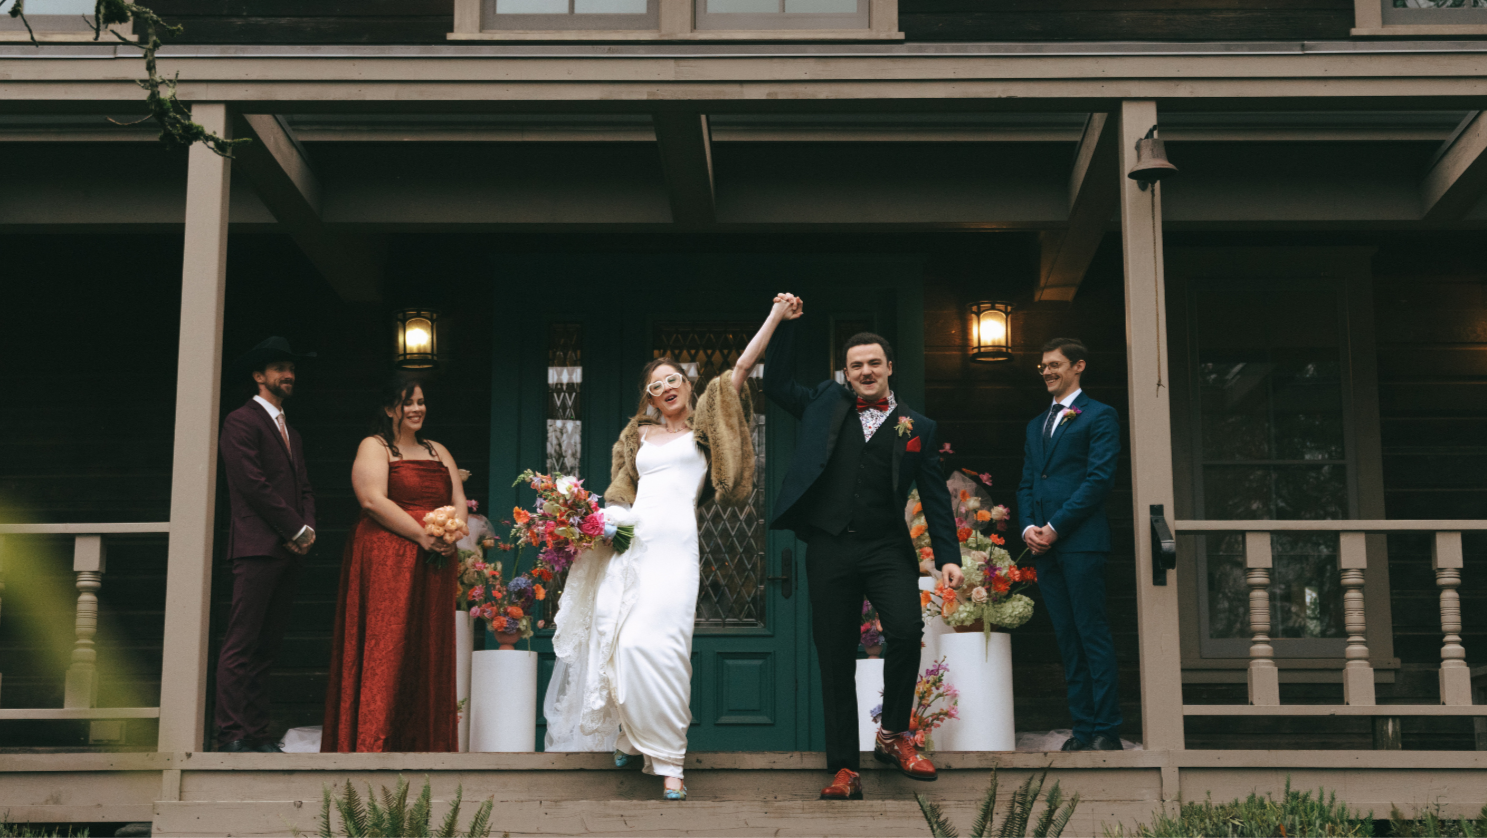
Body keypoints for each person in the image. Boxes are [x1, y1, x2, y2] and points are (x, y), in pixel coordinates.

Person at [543, 299, 792, 801]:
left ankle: (671, 761)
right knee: (623, 644)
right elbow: (619, 491)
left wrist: (775, 316)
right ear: (650, 397)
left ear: (688, 383)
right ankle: (630, 737)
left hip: (676, 550)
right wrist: (606, 523)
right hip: (632, 544)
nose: (665, 389)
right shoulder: (637, 434)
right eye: (655, 386)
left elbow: (742, 369)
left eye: (672, 379)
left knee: (667, 651)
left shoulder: (706, 427)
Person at [762, 295, 963, 802]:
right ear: (846, 373)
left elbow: (935, 498)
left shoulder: (918, 427)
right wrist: (784, 325)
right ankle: (845, 769)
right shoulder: (823, 404)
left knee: (907, 630)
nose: (866, 372)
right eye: (856, 366)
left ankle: (893, 734)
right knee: (835, 658)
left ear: (890, 367)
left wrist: (949, 557)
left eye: (874, 363)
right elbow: (777, 384)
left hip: (886, 547)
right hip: (830, 547)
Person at [322, 376, 465, 753]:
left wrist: (452, 533)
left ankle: (426, 744)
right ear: (389, 409)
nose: (417, 409)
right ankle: (374, 742)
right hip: (388, 560)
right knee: (386, 643)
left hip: (433, 562)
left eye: (421, 401)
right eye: (408, 403)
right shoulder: (375, 447)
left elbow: (458, 499)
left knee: (427, 647)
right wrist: (422, 534)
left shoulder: (438, 450)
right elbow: (372, 500)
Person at [1016, 337, 1123, 751]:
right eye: (1042, 366)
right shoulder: (1035, 425)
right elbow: (1029, 482)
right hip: (1044, 548)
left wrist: (1055, 526)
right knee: (1066, 637)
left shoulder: (1100, 415)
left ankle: (1106, 730)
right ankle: (1082, 729)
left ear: (1078, 366)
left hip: (1081, 542)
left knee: (1091, 633)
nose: (1046, 371)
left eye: (1055, 364)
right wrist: (1029, 528)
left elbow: (1099, 480)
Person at [216, 336, 317, 753]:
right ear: (259, 376)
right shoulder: (240, 421)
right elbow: (252, 484)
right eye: (279, 368)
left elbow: (304, 487)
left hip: (289, 550)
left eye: (291, 368)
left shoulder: (291, 431)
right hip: (257, 547)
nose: (288, 374)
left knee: (266, 647)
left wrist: (307, 529)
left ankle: (256, 732)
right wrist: (295, 529)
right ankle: (231, 733)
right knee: (242, 642)